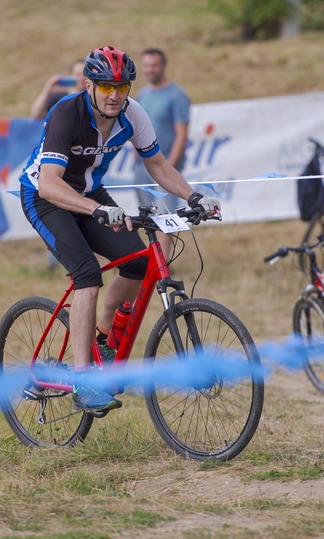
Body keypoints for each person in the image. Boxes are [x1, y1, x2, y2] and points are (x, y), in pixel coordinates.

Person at [19, 46, 219, 413]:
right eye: (106, 87)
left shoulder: (132, 113)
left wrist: (194, 196)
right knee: (88, 276)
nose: (115, 95)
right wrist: (98, 210)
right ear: (89, 85)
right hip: (45, 198)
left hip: (89, 193)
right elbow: (49, 183)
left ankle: (103, 334)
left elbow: (157, 164)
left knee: (139, 263)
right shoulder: (67, 112)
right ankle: (83, 381)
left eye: (122, 87)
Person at [133, 48, 191, 212]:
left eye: (154, 65)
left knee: (165, 215)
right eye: (146, 65)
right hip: (142, 166)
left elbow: (181, 135)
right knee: (147, 217)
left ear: (163, 66)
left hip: (165, 164)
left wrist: (169, 168)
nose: (150, 69)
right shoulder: (142, 94)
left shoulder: (177, 95)